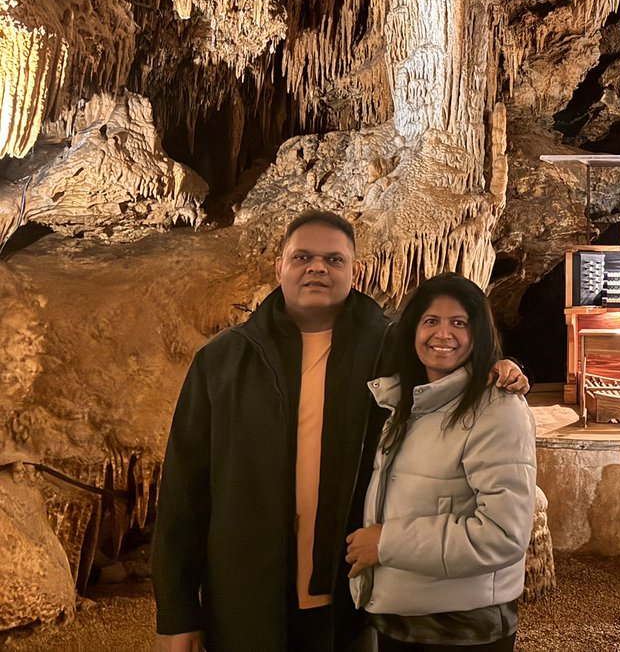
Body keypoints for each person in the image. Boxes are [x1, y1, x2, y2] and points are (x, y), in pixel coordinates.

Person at [152, 212, 529, 652]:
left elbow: (456, 372)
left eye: (333, 258)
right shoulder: (222, 362)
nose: (317, 267)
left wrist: (507, 369)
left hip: (350, 603)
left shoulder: (392, 351)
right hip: (246, 599)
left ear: (355, 271)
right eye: (303, 256)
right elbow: (184, 491)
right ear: (280, 268)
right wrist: (177, 612)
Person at [345, 273, 537, 652]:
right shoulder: (403, 404)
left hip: (460, 629)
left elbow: (503, 535)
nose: (443, 334)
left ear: (479, 333)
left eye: (459, 322)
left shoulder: (497, 409)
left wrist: (386, 542)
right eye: (430, 320)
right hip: (400, 619)